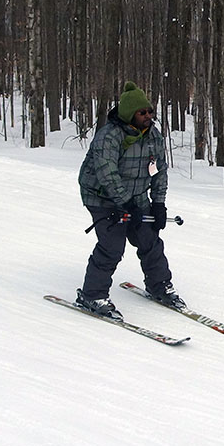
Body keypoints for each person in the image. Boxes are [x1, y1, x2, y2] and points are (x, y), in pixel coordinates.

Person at [76, 81, 185, 320]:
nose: (148, 116)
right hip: (101, 196)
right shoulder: (109, 136)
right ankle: (93, 295)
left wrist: (158, 204)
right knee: (112, 245)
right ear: (129, 114)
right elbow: (107, 173)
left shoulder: (153, 136)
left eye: (149, 111)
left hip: (135, 195)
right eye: (142, 112)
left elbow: (159, 171)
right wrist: (126, 204)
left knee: (149, 238)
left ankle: (159, 285)